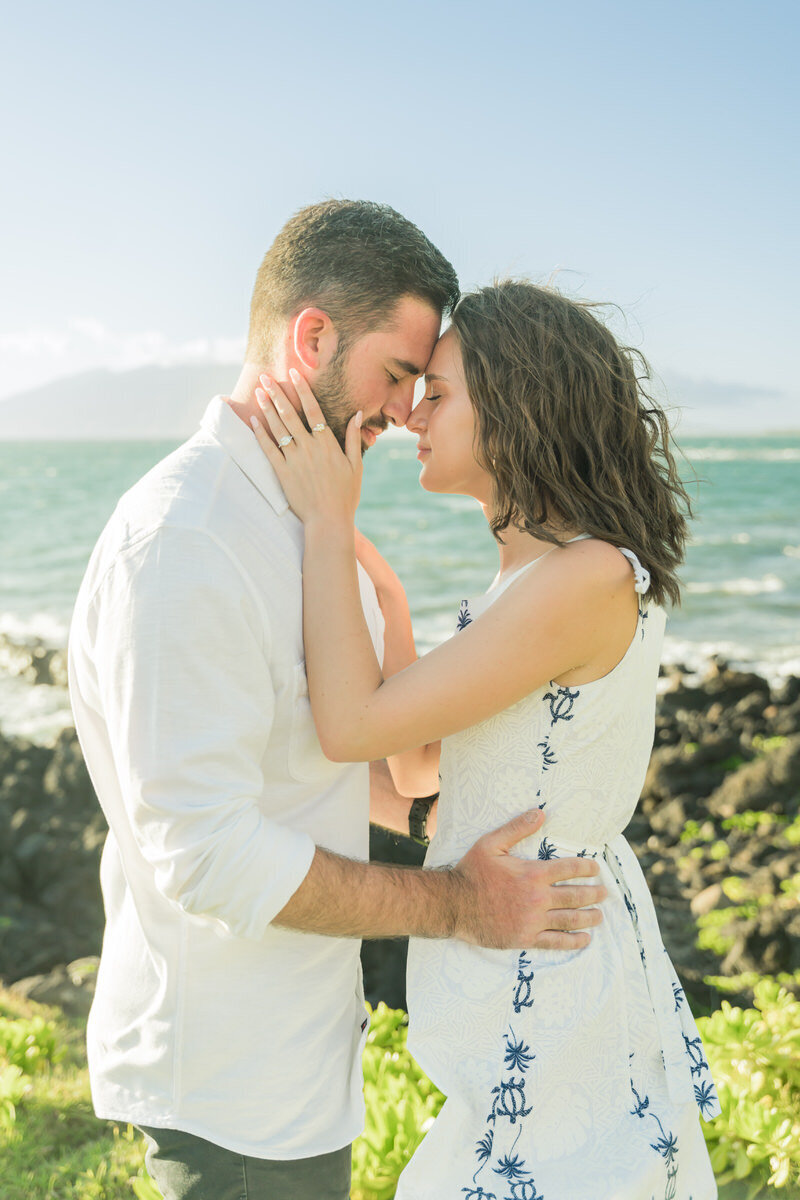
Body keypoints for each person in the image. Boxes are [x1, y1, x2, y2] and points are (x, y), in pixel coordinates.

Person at [67, 203, 606, 1200]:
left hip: (300, 1059)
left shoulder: (312, 521)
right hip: (228, 1086)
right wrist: (452, 906)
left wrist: (440, 818)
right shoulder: (188, 539)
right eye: (396, 376)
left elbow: (324, 765)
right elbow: (206, 851)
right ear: (311, 337)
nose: (406, 412)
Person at [251, 279, 721, 1199]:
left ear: (517, 410)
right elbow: (424, 770)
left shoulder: (582, 576)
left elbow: (352, 729)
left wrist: (325, 520)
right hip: (530, 948)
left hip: (549, 963)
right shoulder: (532, 579)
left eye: (442, 391)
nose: (414, 411)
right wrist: (389, 608)